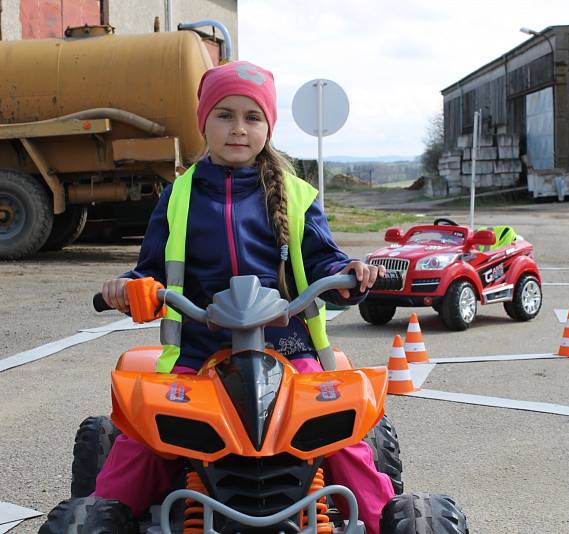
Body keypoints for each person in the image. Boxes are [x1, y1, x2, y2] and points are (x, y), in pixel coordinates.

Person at [95, 61, 394, 533]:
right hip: (199, 350)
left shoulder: (296, 195)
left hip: (290, 350)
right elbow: (151, 269)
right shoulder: (180, 197)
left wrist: (350, 274)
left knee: (345, 434)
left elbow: (323, 262)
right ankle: (100, 516)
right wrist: (129, 287)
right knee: (140, 438)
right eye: (225, 115)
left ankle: (384, 520)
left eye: (252, 118)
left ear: (268, 127)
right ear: (204, 122)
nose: (238, 128)